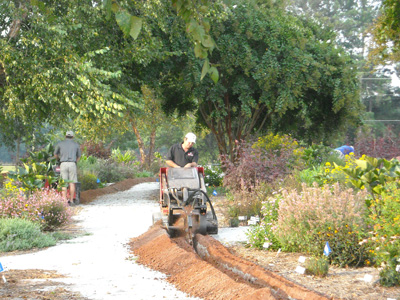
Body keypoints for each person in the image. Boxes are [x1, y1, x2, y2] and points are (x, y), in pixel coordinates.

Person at [54, 131, 81, 205]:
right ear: (72, 137)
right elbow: (79, 156)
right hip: (72, 164)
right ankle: (71, 201)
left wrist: (59, 160)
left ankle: (65, 201)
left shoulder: (60, 144)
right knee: (72, 183)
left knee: (64, 183)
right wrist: (75, 162)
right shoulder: (76, 145)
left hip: (63, 164)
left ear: (65, 136)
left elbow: (55, 154)